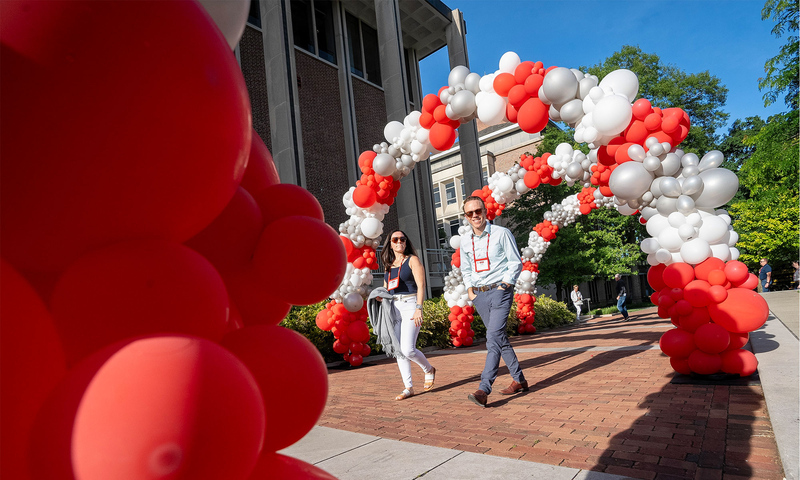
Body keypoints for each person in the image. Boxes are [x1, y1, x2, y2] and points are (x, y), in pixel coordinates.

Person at [460, 196, 526, 408]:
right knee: (499, 338)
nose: (475, 216)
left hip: (499, 291)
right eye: (470, 213)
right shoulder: (465, 241)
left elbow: (515, 262)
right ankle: (519, 379)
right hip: (479, 295)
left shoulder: (501, 234)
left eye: (477, 211)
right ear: (466, 217)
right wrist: (471, 292)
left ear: (485, 211)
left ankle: (484, 389)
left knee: (493, 337)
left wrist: (505, 285)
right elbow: (466, 268)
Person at [376, 230, 435, 401]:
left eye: (402, 238)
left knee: (408, 349)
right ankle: (408, 387)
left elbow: (421, 286)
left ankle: (428, 369)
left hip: (410, 305)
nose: (399, 241)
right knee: (399, 351)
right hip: (394, 307)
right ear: (391, 244)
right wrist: (380, 297)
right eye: (395, 239)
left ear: (406, 242)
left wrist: (419, 308)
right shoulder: (389, 266)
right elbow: (387, 289)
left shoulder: (412, 260)